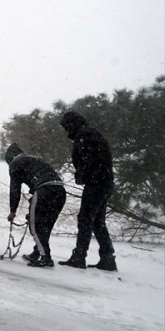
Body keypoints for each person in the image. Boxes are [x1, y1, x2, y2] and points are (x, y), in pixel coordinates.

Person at [59, 111, 117, 271]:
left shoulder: (85, 135)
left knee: (85, 219)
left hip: (96, 184)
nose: (66, 132)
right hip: (104, 183)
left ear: (72, 124)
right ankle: (107, 258)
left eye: (66, 127)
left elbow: (88, 160)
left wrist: (82, 174)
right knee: (97, 221)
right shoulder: (90, 133)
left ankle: (79, 256)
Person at [5, 143, 66, 268]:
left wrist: (13, 211)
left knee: (36, 226)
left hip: (44, 190)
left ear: (10, 158)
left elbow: (14, 189)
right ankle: (36, 253)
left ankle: (46, 258)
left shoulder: (15, 164)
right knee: (46, 225)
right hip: (60, 190)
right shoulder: (33, 159)